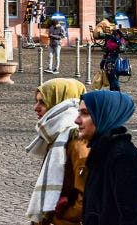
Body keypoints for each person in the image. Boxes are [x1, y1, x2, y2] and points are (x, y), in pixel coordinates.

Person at [77, 90, 137, 224]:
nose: (77, 120)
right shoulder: (102, 153)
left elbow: (135, 217)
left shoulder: (124, 158)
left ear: (104, 115)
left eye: (85, 113)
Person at [25, 78, 87, 224]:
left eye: (43, 102)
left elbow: (84, 192)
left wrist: (62, 216)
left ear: (59, 103)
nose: (36, 107)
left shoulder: (75, 136)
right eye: (37, 101)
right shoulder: (57, 134)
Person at [95, 21, 128, 92]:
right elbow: (107, 52)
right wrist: (102, 63)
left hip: (114, 62)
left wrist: (118, 40)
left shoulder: (118, 41)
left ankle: (116, 94)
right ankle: (115, 93)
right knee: (112, 79)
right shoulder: (112, 41)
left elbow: (121, 48)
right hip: (111, 62)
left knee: (114, 79)